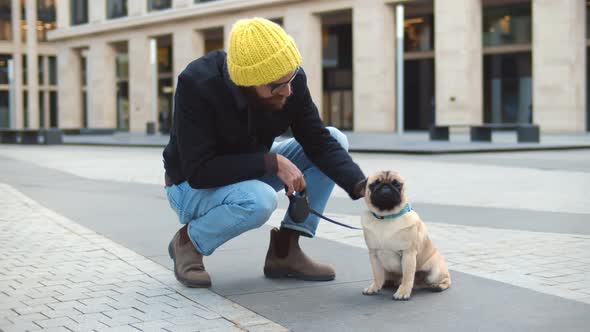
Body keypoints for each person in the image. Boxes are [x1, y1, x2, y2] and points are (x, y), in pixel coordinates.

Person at [162, 17, 366, 288]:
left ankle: (285, 251)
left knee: (335, 138)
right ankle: (189, 241)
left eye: (291, 78)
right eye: (276, 85)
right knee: (259, 201)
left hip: (250, 170)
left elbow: (317, 141)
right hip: (189, 185)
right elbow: (199, 171)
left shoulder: (290, 81)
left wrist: (363, 185)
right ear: (247, 82)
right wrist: (271, 162)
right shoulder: (197, 84)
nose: (288, 90)